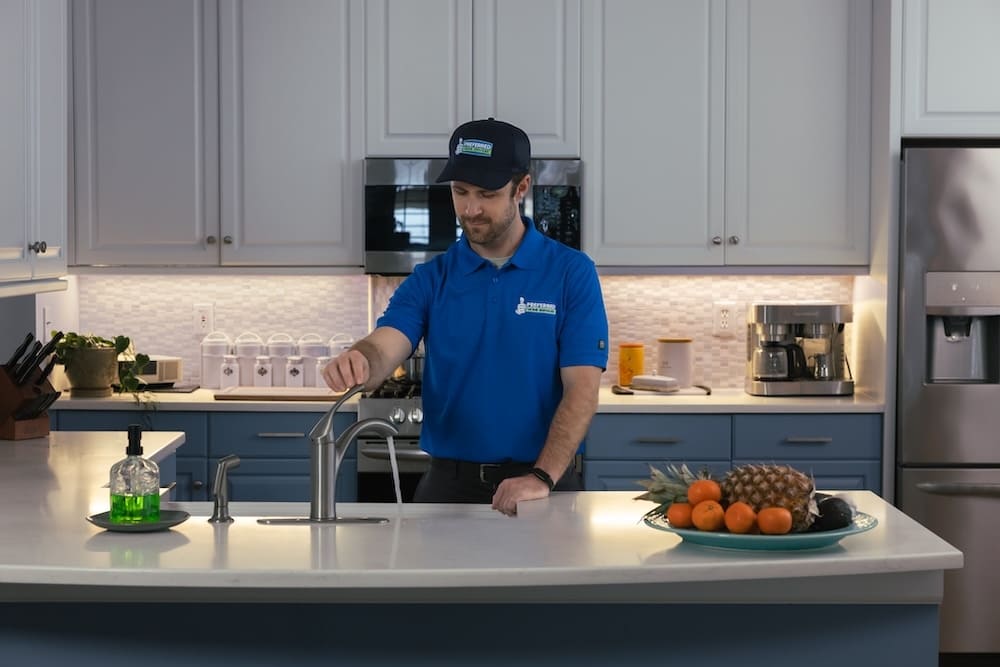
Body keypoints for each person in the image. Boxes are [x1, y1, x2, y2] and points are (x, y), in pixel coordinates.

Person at [323, 118, 609, 515]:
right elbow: (385, 346)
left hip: (544, 482)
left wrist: (541, 477)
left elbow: (582, 390)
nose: (470, 209)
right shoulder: (431, 279)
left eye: (487, 194)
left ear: (521, 188)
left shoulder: (571, 273)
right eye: (460, 192)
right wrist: (360, 360)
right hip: (448, 488)